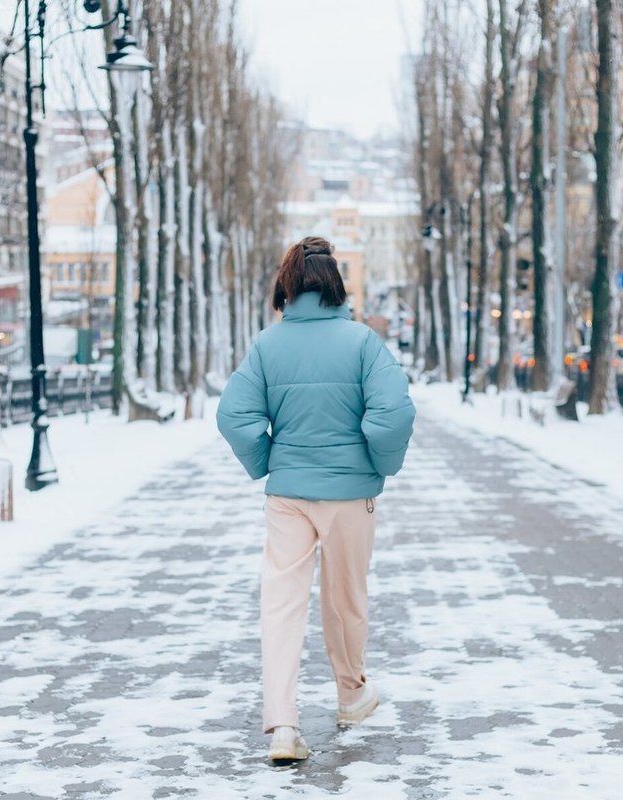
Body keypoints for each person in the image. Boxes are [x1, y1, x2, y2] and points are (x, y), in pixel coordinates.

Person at [216, 236, 416, 764]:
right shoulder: (363, 343)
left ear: (288, 287)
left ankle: (283, 724)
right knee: (344, 599)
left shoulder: (267, 345)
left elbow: (232, 416)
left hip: (288, 497)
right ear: (336, 287)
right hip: (350, 496)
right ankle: (351, 695)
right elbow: (393, 415)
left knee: (280, 606)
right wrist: (380, 464)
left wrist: (268, 461)